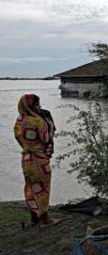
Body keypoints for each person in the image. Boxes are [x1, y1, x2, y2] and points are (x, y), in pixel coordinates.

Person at [14, 94, 60, 227]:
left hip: (26, 159)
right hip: (40, 160)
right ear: (30, 106)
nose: (39, 107)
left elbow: (19, 139)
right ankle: (45, 219)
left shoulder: (19, 121)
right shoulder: (38, 121)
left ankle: (34, 217)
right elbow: (46, 139)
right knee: (43, 188)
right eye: (36, 105)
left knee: (30, 187)